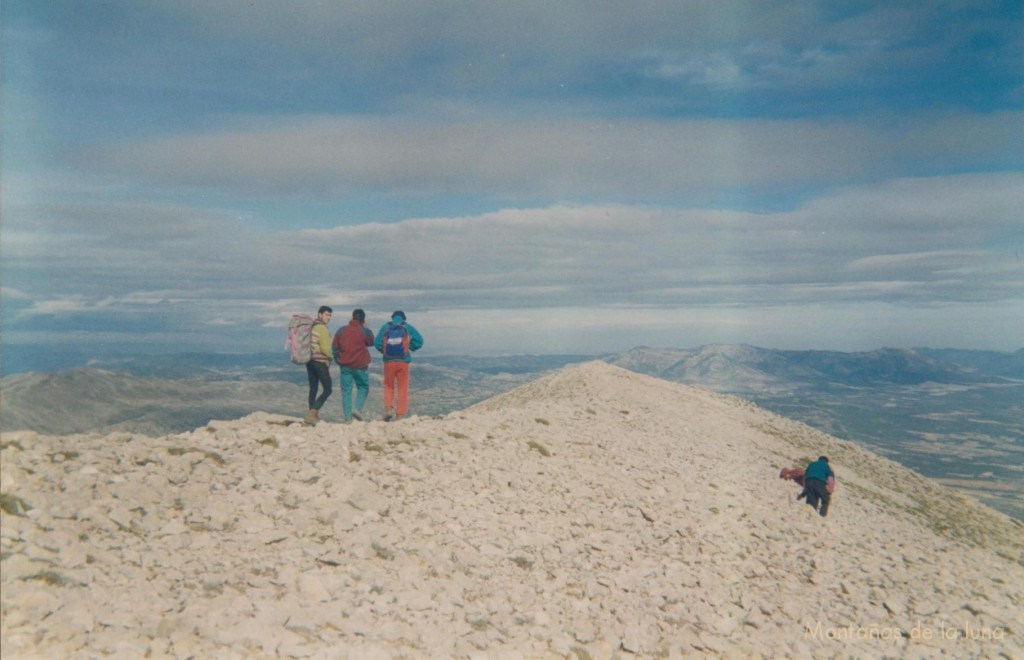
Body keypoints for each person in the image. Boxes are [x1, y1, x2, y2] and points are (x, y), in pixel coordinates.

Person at [374, 310, 424, 421]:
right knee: (403, 387)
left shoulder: (385, 327)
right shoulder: (408, 327)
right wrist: (409, 347)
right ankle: (400, 415)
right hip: (403, 361)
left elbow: (377, 342)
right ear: (404, 318)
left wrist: (385, 351)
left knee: (388, 385)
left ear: (392, 318)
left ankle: (388, 409)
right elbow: (420, 341)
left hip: (389, 362)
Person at [332, 308, 375, 422]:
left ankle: (347, 418)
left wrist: (338, 360)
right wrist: (367, 328)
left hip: (345, 365)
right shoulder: (363, 330)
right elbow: (371, 342)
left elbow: (334, 347)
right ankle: (357, 408)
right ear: (363, 319)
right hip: (360, 365)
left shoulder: (341, 330)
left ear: (352, 317)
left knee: (346, 390)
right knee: (363, 387)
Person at [304, 306, 334, 425]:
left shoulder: (312, 327)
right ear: (320, 314)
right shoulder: (322, 328)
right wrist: (330, 357)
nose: (328, 318)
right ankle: (313, 413)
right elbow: (326, 347)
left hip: (309, 360)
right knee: (328, 389)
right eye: (327, 315)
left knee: (313, 388)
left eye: (330, 315)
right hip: (319, 361)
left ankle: (311, 416)